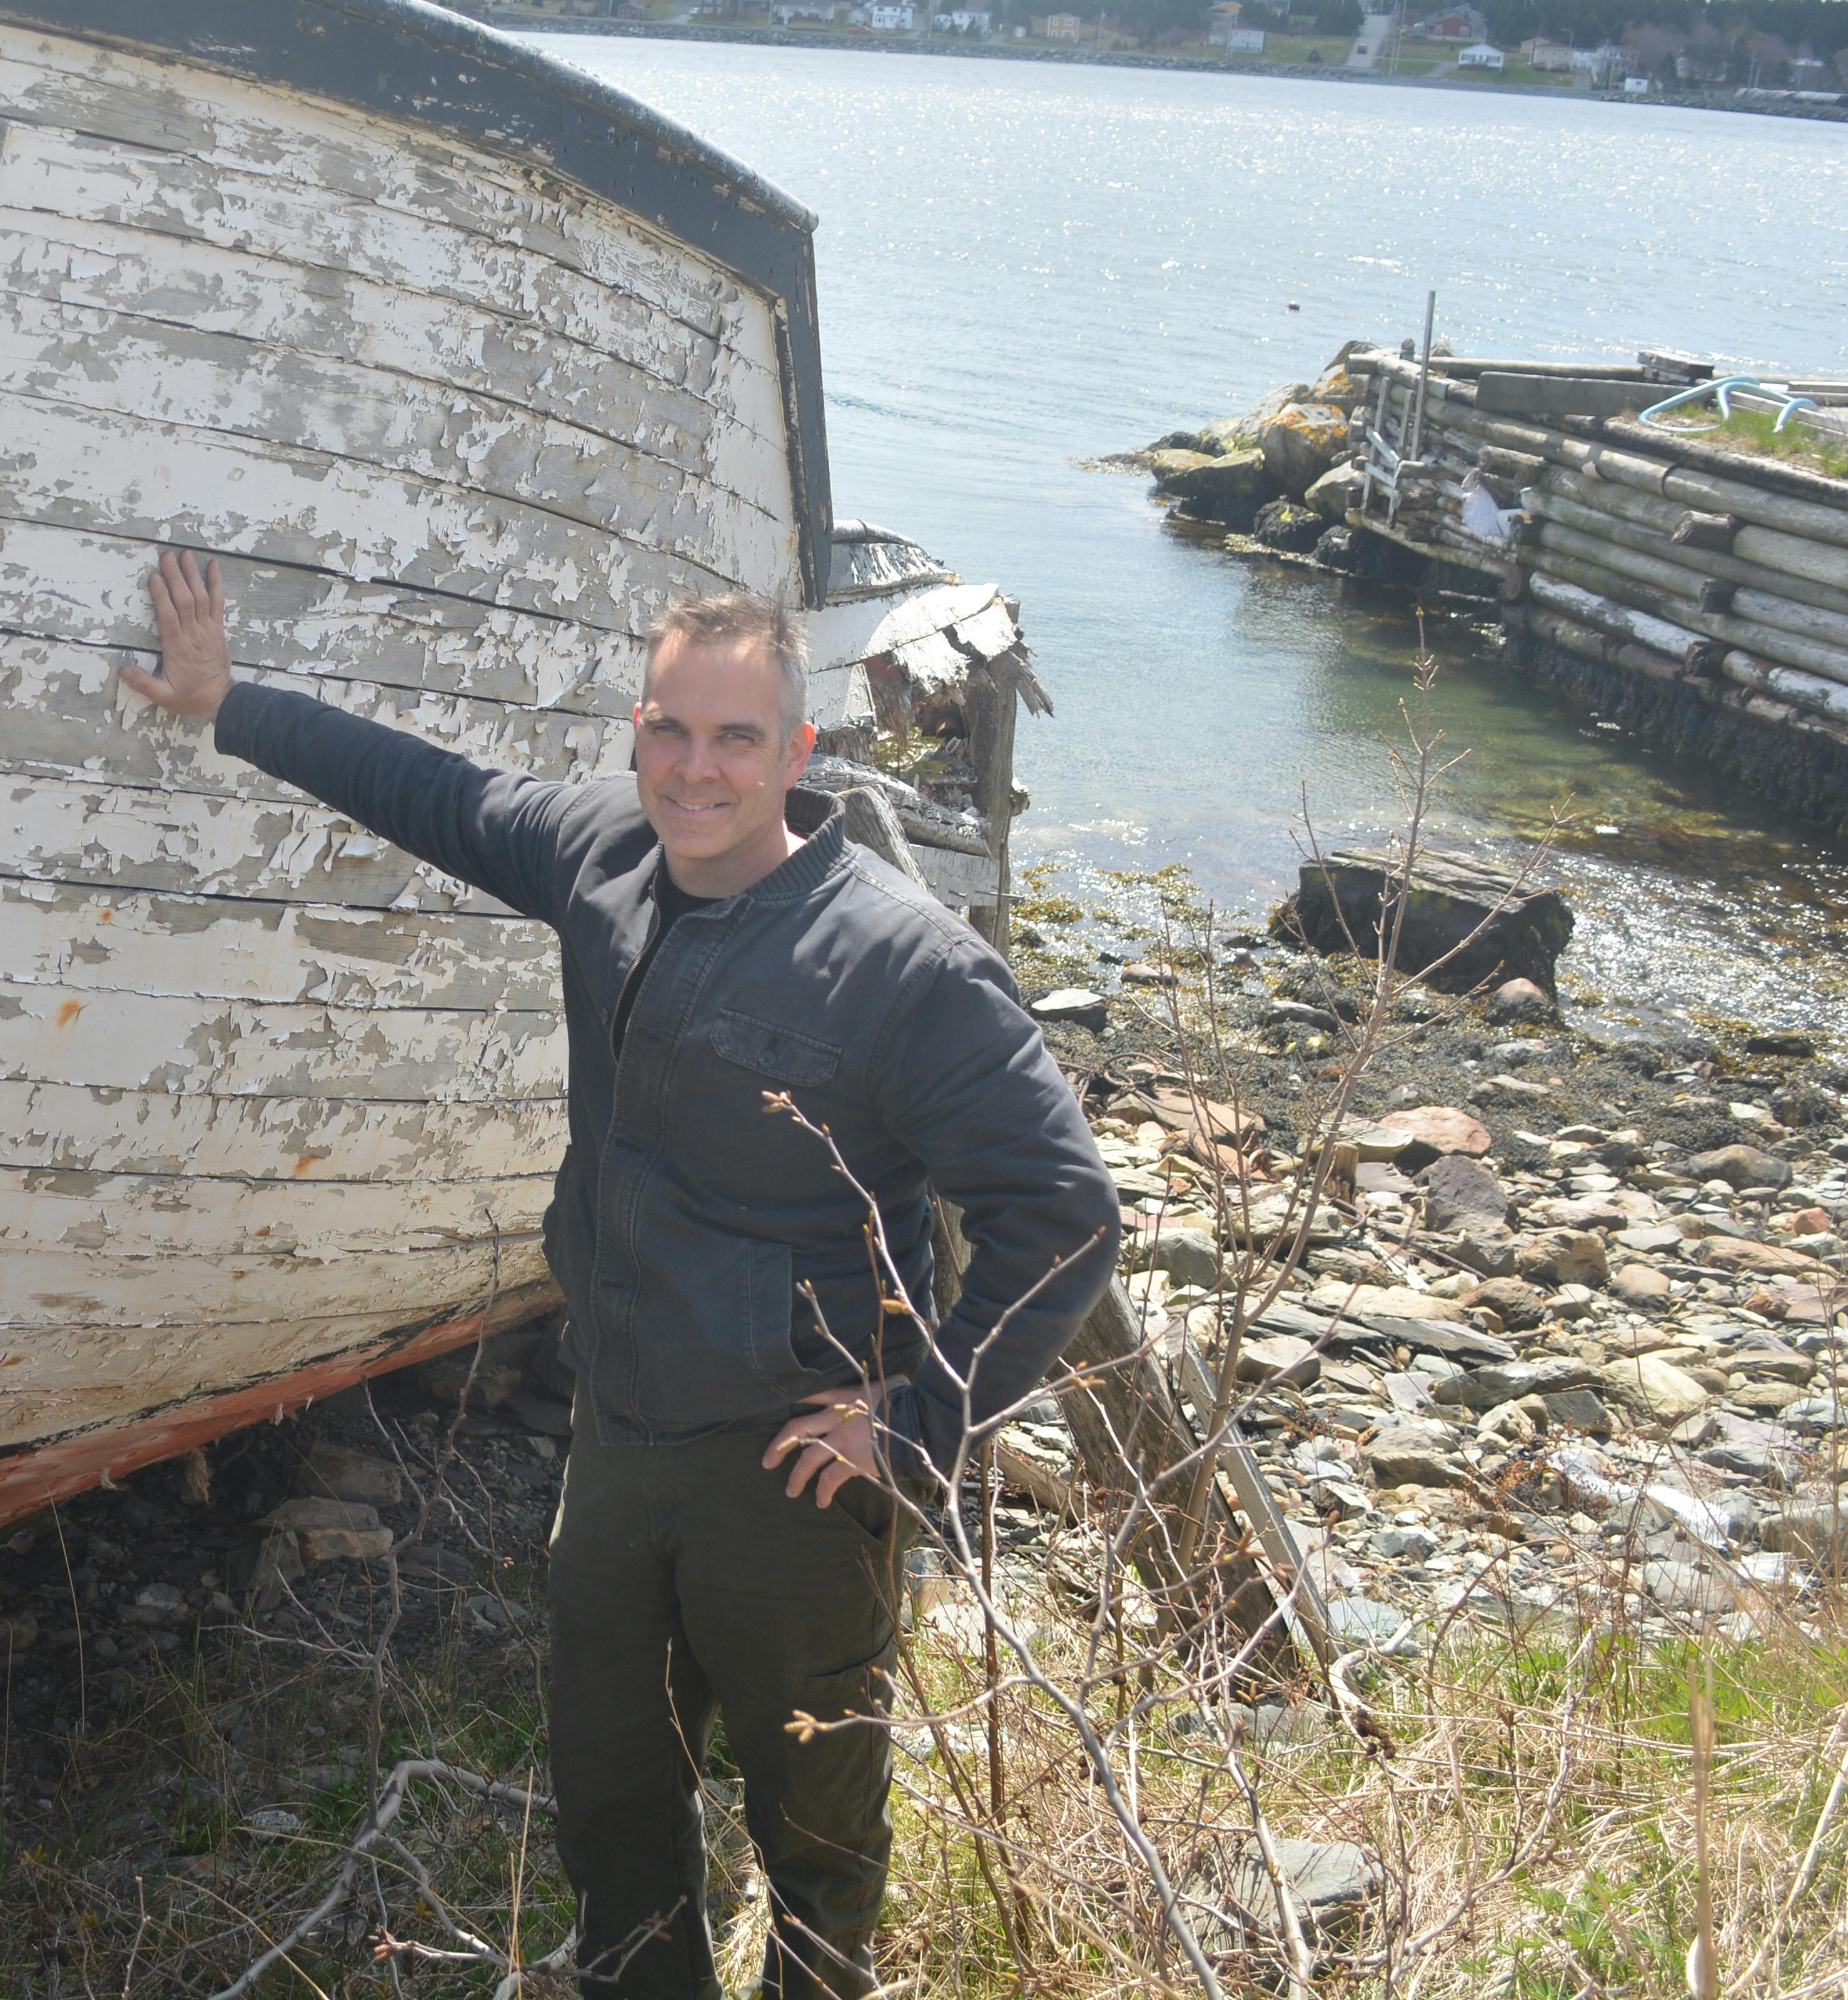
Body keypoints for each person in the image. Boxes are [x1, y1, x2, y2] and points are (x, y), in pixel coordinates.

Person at [119, 552, 1117, 2000]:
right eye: (669, 729)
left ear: (798, 751)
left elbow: (1066, 1215)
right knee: (613, 1810)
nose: (695, 769)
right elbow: (434, 790)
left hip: (790, 1476)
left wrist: (914, 1423)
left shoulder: (903, 967)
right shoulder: (607, 863)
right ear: (637, 730)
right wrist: (228, 703)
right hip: (618, 1440)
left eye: (735, 738)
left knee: (816, 1834)